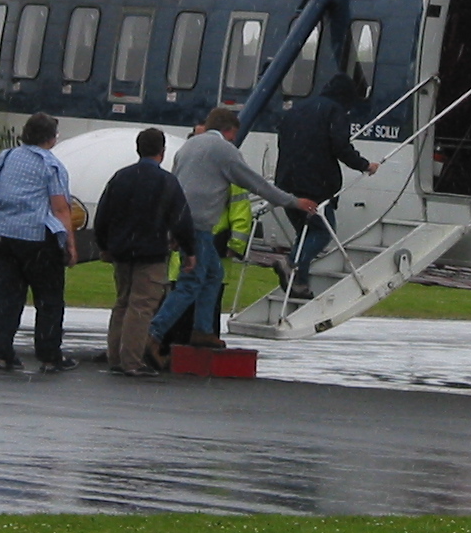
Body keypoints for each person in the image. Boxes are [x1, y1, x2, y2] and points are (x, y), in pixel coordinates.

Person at [150, 105, 314, 361]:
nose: (233, 140)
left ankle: (202, 330)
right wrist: (294, 201)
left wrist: (172, 227)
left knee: (213, 273)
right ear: (227, 130)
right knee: (191, 283)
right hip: (199, 227)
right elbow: (256, 184)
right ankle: (154, 333)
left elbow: (175, 183)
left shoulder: (188, 147)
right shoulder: (224, 151)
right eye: (233, 135)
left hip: (181, 222)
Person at [92, 126, 195, 376]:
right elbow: (181, 219)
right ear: (162, 151)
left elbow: (102, 215)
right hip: (151, 252)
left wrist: (104, 246)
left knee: (122, 303)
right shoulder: (167, 182)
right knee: (142, 307)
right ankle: (132, 361)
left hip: (122, 251)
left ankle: (115, 357)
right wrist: (189, 251)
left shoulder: (121, 177)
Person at [0, 112, 78, 371]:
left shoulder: (7, 156)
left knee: (8, 295)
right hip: (37, 236)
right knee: (49, 298)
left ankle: (2, 352)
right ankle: (49, 355)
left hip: (4, 233)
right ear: (50, 138)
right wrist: (70, 244)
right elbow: (60, 208)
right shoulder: (51, 165)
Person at [273, 71, 379, 299]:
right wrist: (365, 165)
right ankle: (291, 264)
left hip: (286, 182)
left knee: (304, 232)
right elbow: (340, 146)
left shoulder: (296, 110)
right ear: (346, 97)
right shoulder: (334, 111)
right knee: (322, 232)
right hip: (314, 184)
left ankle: (298, 284)